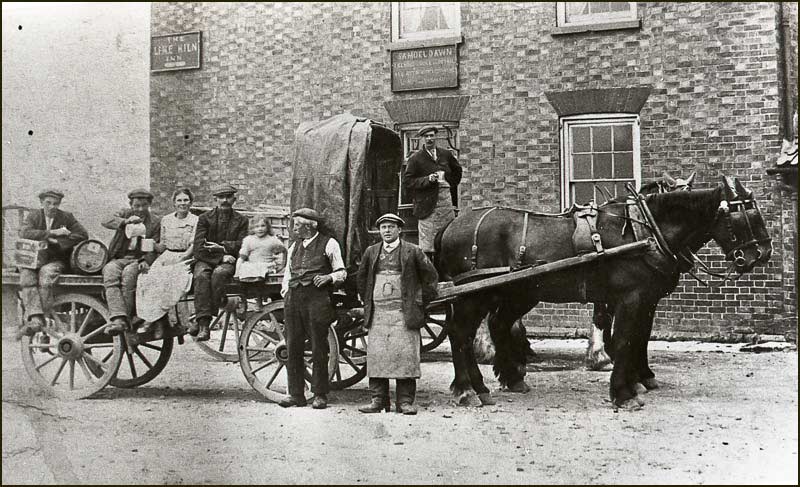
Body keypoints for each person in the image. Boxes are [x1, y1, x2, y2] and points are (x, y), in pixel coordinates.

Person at [356, 214, 438, 415]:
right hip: (378, 314)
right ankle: (378, 400)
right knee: (377, 357)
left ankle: (405, 402)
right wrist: (367, 300)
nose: (387, 231)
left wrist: (419, 302)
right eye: (383, 227)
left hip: (404, 313)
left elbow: (431, 277)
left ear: (399, 230)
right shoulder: (371, 252)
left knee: (405, 358)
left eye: (391, 227)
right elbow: (362, 278)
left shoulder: (413, 251)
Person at [278, 208, 346, 409]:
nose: (294, 228)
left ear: (310, 226)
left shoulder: (329, 244)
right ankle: (296, 394)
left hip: (317, 300)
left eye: (297, 225)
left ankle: (319, 394)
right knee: (293, 346)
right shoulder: (293, 247)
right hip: (294, 300)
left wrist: (328, 278)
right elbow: (287, 275)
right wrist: (286, 294)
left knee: (318, 347)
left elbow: (341, 272)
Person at [17, 189, 88, 337]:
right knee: (26, 276)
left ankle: (45, 317)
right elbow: (24, 232)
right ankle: (36, 317)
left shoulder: (67, 217)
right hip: (35, 258)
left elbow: (82, 235)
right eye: (48, 203)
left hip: (56, 260)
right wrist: (51, 233)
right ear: (42, 203)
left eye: (56, 203)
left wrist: (58, 242)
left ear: (59, 204)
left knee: (46, 275)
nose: (52, 207)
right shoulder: (34, 215)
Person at [192, 183, 249, 341]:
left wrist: (223, 247)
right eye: (221, 197)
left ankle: (203, 319)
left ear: (234, 199)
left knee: (220, 273)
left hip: (229, 260)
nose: (225, 200)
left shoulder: (242, 220)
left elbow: (242, 244)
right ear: (215, 199)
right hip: (207, 259)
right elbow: (198, 247)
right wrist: (221, 255)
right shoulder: (204, 219)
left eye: (228, 197)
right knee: (201, 276)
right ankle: (204, 325)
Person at [135, 188, 199, 329]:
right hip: (167, 255)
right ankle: (152, 318)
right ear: (174, 203)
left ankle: (170, 319)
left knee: (171, 277)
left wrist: (183, 257)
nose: (183, 203)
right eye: (179, 200)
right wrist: (152, 245)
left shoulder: (196, 220)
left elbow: (195, 245)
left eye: (186, 200)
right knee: (147, 278)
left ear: (191, 203)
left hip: (186, 256)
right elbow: (163, 244)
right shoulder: (166, 220)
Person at [102, 189, 161, 335]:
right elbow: (105, 220)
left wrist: (146, 260)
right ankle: (118, 317)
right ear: (131, 205)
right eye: (137, 206)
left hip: (138, 259)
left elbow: (156, 245)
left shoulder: (154, 222)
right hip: (120, 257)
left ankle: (125, 319)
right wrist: (125, 221)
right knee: (109, 272)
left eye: (144, 206)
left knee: (129, 276)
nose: (140, 209)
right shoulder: (125, 214)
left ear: (149, 205)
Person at [403, 125, 462, 262]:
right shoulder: (415, 158)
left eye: (431, 135)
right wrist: (427, 180)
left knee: (447, 239)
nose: (429, 139)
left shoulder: (445, 154)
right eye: (426, 136)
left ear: (436, 137)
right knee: (428, 246)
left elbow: (457, 170)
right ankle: (429, 274)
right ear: (422, 139)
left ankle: (446, 273)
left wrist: (449, 183)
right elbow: (407, 181)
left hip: (445, 203)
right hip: (426, 207)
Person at [234, 216, 287, 282]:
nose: (260, 229)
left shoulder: (273, 240)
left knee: (261, 269)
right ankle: (248, 287)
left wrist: (282, 265)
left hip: (266, 265)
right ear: (252, 228)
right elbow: (242, 257)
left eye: (263, 226)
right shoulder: (248, 240)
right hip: (252, 265)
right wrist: (237, 272)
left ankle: (258, 285)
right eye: (257, 226)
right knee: (245, 267)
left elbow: (284, 251)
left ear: (267, 227)